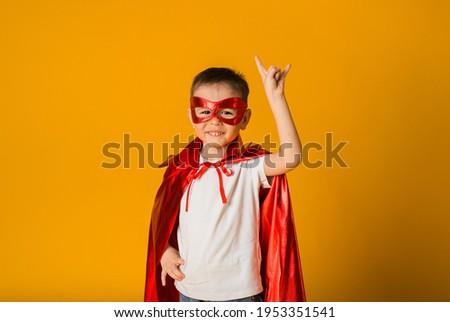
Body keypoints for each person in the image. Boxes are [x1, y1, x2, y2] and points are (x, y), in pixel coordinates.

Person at [144, 56, 306, 302]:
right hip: (188, 290)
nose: (215, 120)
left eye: (227, 111)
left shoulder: (250, 167)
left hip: (240, 294)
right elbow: (163, 219)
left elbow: (291, 157)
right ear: (191, 115)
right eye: (205, 111)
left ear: (244, 118)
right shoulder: (181, 167)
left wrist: (276, 98)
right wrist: (164, 250)